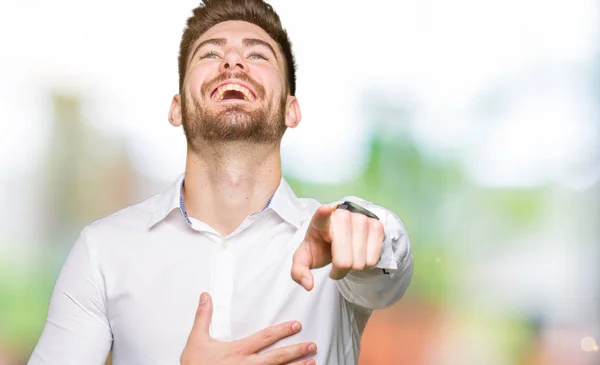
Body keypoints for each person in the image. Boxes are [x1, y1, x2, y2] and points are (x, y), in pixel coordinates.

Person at [28, 1, 414, 364]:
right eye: (211, 53)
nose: (233, 60)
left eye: (258, 54)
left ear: (290, 110)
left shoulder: (335, 245)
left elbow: (387, 274)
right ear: (177, 108)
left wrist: (366, 225)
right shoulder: (103, 252)